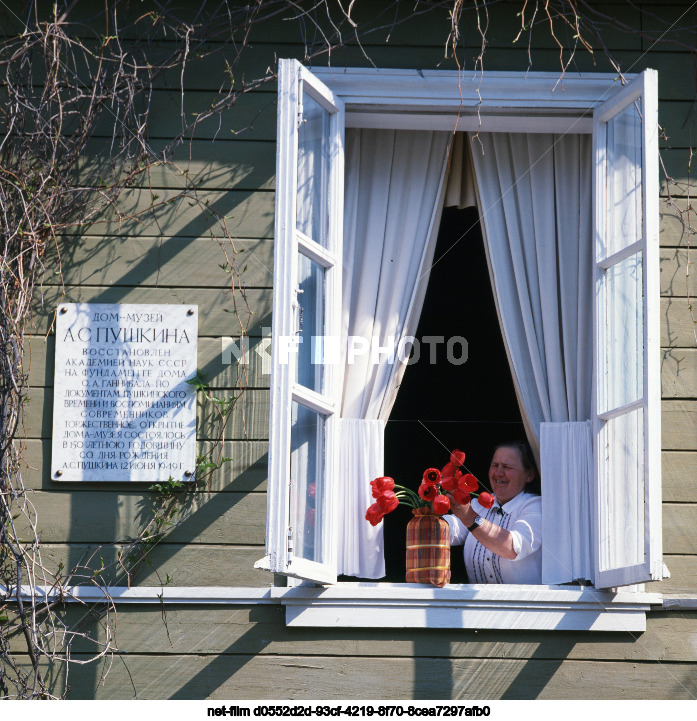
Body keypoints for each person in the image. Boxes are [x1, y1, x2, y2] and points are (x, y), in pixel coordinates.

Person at [445, 442, 542, 584]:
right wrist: (428, 509)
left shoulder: (536, 506)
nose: (498, 473)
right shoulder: (478, 505)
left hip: (525, 605)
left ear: (529, 475)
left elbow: (512, 547)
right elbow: (451, 529)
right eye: (495, 465)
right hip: (480, 604)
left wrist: (469, 517)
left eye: (507, 467)